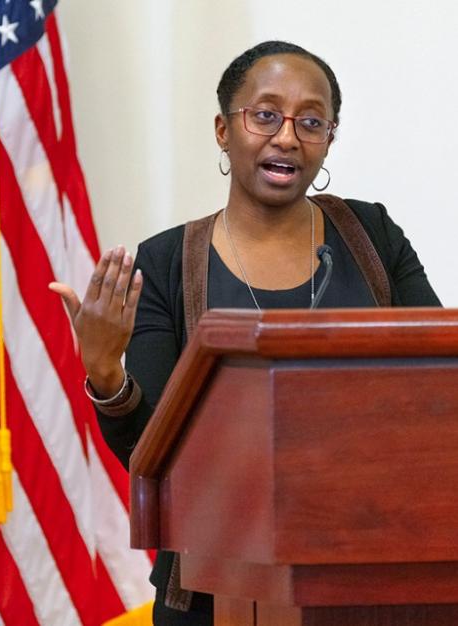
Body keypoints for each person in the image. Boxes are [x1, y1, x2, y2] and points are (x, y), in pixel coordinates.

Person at [50, 41, 440, 625]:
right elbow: (148, 454)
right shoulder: (167, 264)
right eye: (265, 115)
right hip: (215, 588)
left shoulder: (372, 236)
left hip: (373, 570)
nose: (287, 137)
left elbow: (437, 386)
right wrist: (106, 373)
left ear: (329, 138)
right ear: (222, 130)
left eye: (311, 121)